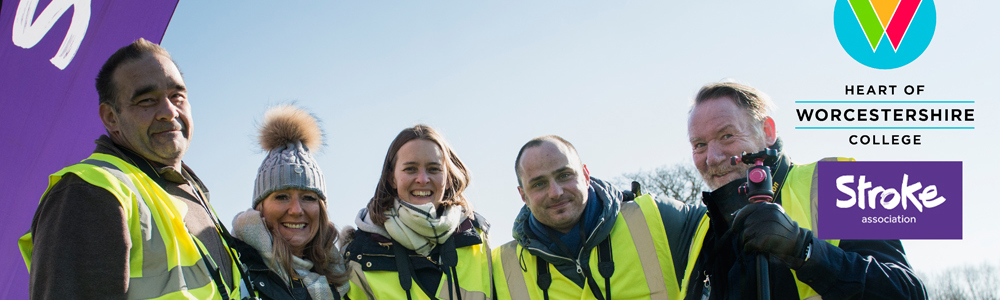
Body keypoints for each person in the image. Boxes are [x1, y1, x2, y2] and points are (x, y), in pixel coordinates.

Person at [17, 39, 244, 299]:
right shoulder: (89, 191)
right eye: (147, 100)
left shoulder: (188, 189)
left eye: (177, 96)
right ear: (111, 118)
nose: (169, 111)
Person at [682, 81, 927, 299]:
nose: (712, 158)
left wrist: (804, 249)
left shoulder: (841, 179)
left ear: (767, 132)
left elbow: (907, 292)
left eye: (726, 135)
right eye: (700, 145)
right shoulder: (702, 232)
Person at [493, 135, 705, 300]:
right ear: (523, 196)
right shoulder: (499, 266)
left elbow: (729, 224)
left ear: (585, 175)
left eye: (564, 175)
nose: (555, 192)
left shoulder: (656, 216)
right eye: (539, 183)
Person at [342, 125, 493, 300]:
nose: (422, 179)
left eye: (434, 169)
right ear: (392, 178)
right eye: (410, 169)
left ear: (449, 177)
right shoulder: (359, 255)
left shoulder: (478, 237)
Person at [229, 104, 351, 299]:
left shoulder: (342, 277)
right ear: (260, 207)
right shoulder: (234, 268)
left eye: (308, 198)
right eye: (282, 196)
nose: (296, 210)